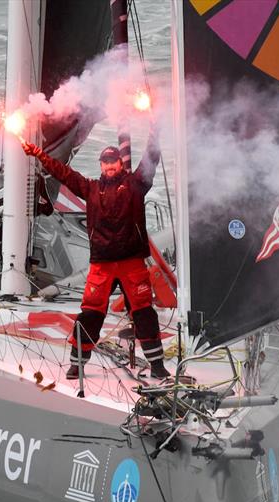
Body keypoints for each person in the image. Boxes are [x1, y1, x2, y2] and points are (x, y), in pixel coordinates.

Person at [22, 129, 170, 379]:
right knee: (91, 313)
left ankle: (157, 366)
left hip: (132, 262)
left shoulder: (136, 184)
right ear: (101, 165)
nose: (110, 166)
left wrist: (155, 131)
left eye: (114, 162)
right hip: (101, 264)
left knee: (144, 312)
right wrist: (39, 155)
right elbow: (64, 173)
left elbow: (150, 160)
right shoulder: (89, 188)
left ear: (120, 163)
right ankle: (76, 363)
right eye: (106, 162)